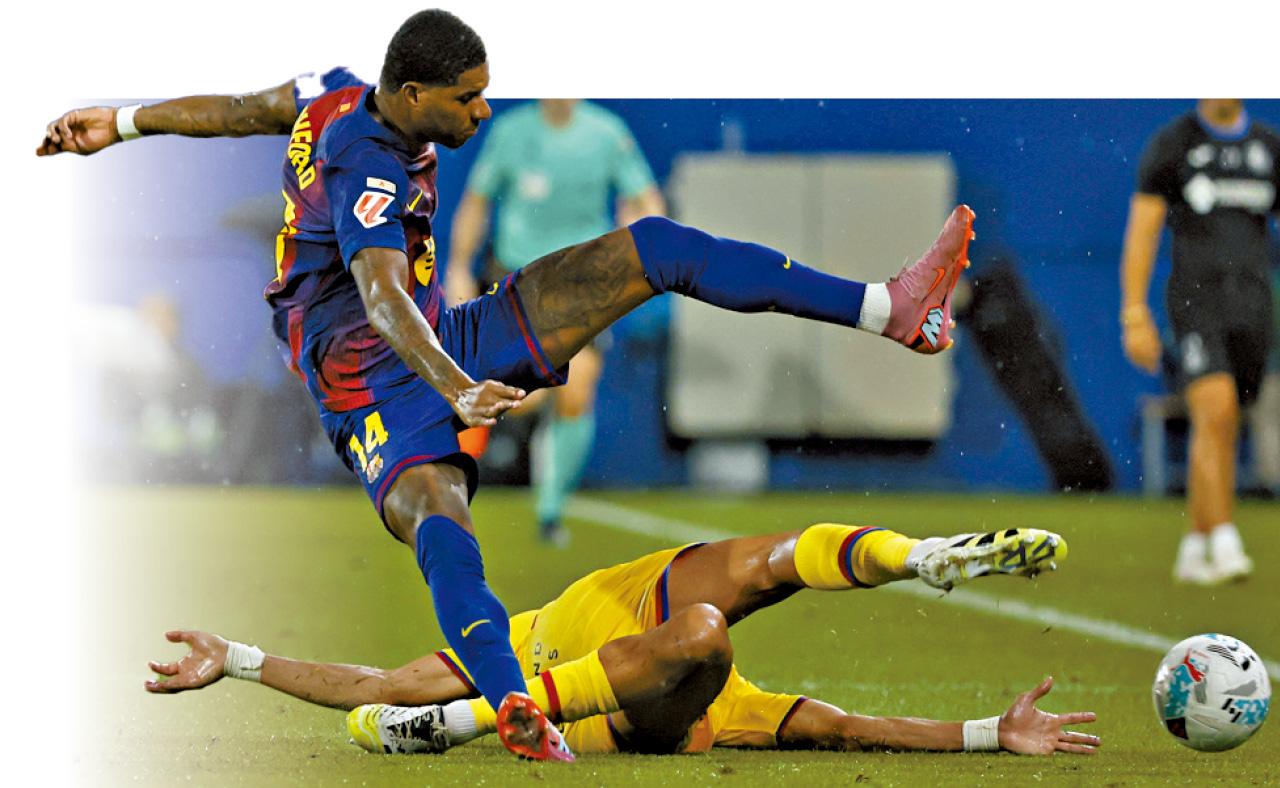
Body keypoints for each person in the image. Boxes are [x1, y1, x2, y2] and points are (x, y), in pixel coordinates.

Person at [38, 8, 974, 762]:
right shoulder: (366, 168)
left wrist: (123, 122)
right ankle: (512, 702)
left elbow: (247, 108)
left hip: (445, 334)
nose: (484, 112)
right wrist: (457, 388)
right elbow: (381, 297)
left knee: (655, 248)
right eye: (468, 98)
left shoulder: (330, 90)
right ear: (413, 95)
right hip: (368, 386)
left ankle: (888, 309)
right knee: (441, 526)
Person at [145, 522, 1094, 757]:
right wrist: (239, 661)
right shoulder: (510, 638)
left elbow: (852, 729)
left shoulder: (511, 640)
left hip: (640, 631)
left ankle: (916, 554)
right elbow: (371, 685)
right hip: (629, 688)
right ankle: (912, 554)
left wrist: (988, 735)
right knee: (714, 623)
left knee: (748, 582)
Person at [446, 99, 666, 545]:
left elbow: (647, 202)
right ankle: (441, 480)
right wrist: (458, 266)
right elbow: (475, 202)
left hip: (582, 284)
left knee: (577, 390)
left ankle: (550, 512)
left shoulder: (607, 133)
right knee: (509, 396)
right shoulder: (510, 131)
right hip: (515, 278)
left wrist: (644, 234)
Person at [1120, 99, 1280, 585]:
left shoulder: (1269, 149)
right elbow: (1143, 233)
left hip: (1254, 307)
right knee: (1215, 410)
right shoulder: (1173, 145)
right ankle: (1225, 540)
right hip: (1196, 302)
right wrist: (1135, 314)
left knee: (1225, 423)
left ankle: (1194, 544)